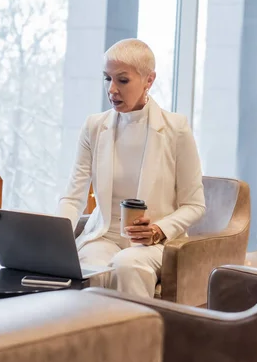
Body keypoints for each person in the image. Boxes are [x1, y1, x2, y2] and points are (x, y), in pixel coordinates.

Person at [56, 38, 206, 299]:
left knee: (128, 264)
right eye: (107, 78)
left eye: (122, 80)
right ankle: (89, 338)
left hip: (154, 244)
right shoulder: (94, 127)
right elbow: (73, 197)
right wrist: (55, 240)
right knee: (90, 266)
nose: (111, 89)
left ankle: (137, 338)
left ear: (149, 80)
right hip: (104, 237)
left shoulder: (176, 129)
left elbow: (195, 205)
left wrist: (158, 230)